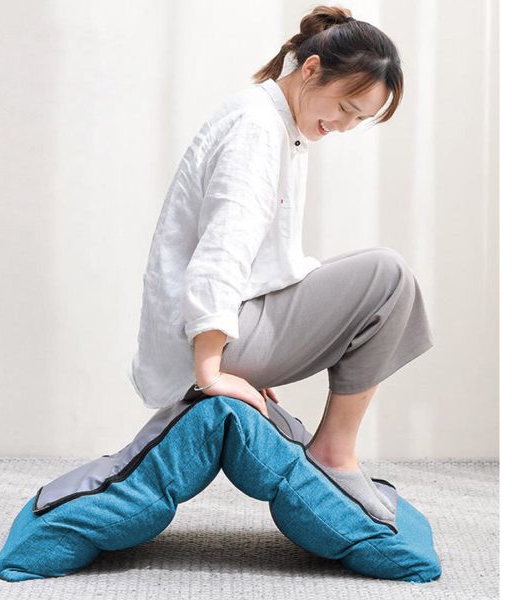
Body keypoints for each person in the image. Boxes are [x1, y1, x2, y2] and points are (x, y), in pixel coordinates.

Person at [128, 5, 433, 521]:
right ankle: (335, 452)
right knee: (389, 277)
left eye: (359, 120)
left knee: (382, 281)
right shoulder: (257, 128)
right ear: (311, 68)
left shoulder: (275, 123)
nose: (344, 126)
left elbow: (268, 262)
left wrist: (265, 342)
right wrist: (212, 371)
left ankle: (334, 448)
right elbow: (221, 252)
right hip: (202, 343)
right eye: (347, 107)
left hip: (222, 330)